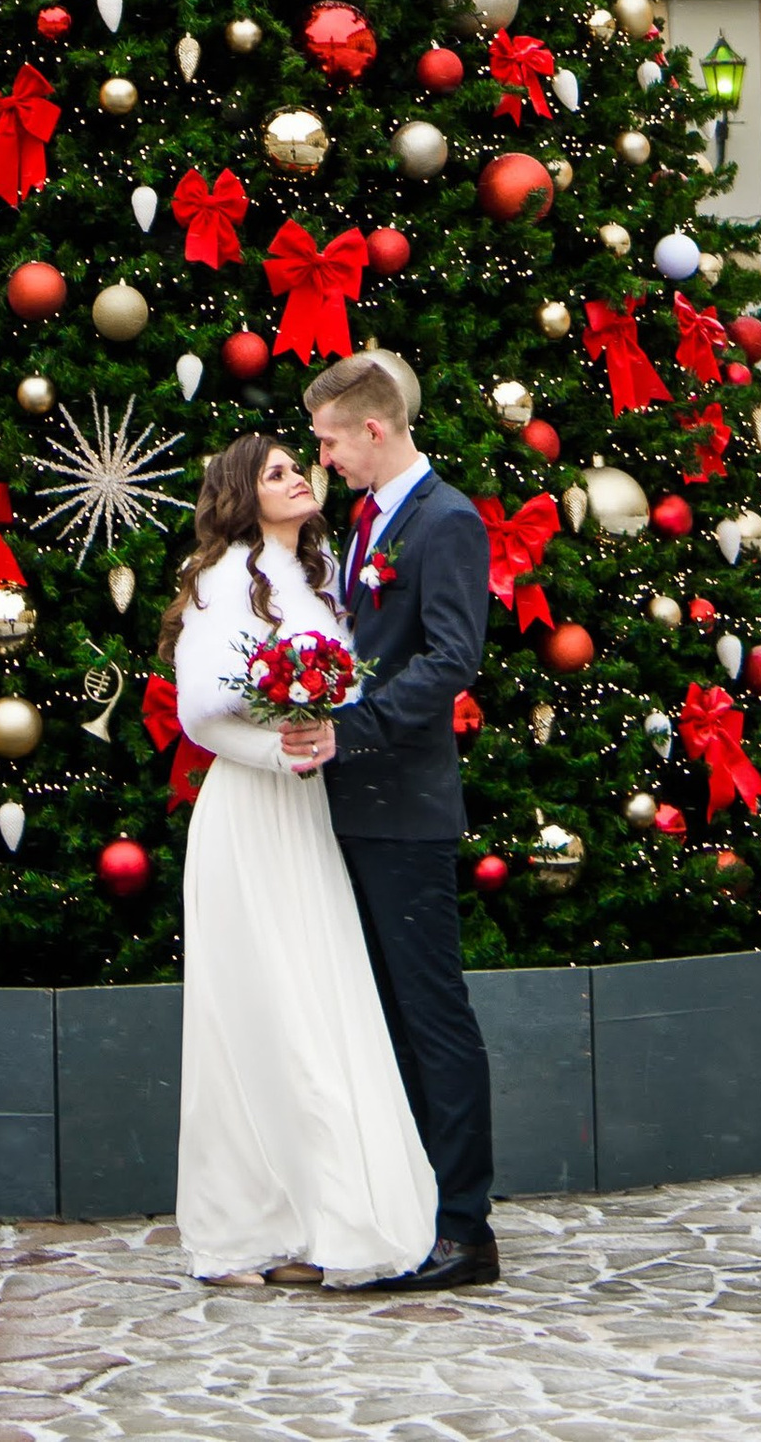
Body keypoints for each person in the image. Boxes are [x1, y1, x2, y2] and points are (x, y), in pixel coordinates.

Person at [165, 428, 440, 1288]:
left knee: (318, 1000)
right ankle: (240, 1232)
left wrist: (320, 737)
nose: (297, 477)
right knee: (258, 1012)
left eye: (298, 465)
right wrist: (277, 751)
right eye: (276, 471)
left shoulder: (316, 578)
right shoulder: (220, 583)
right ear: (243, 494)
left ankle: (318, 1218)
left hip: (307, 813)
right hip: (250, 815)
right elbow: (201, 712)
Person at [294, 350, 501, 1291]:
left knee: (432, 1015)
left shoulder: (445, 520)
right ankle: (408, 1206)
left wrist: (354, 730)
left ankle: (465, 1227)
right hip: (351, 801)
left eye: (332, 441)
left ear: (374, 430)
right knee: (381, 1015)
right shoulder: (369, 519)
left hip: (405, 806)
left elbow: (453, 658)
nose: (323, 458)